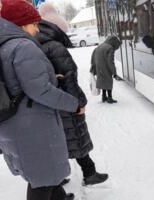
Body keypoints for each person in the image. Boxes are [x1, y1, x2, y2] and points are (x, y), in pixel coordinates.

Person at [0, 1, 83, 199]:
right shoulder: (22, 46)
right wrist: (74, 104)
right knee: (42, 179)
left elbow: (16, 81)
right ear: (21, 24)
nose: (37, 29)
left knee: (43, 173)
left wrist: (52, 78)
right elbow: (40, 91)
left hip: (14, 123)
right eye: (34, 24)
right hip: (31, 125)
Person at [36, 3, 109, 186]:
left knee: (60, 140)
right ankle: (89, 173)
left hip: (51, 102)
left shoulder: (37, 44)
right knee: (76, 136)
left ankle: (59, 177)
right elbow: (69, 78)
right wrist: (80, 102)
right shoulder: (55, 47)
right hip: (66, 101)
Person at [91, 36, 122, 103]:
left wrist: (93, 67)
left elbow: (93, 56)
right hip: (105, 67)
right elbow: (110, 61)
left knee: (103, 81)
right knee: (108, 81)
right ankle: (110, 98)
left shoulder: (100, 46)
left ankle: (104, 96)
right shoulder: (110, 48)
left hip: (99, 67)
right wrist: (114, 73)